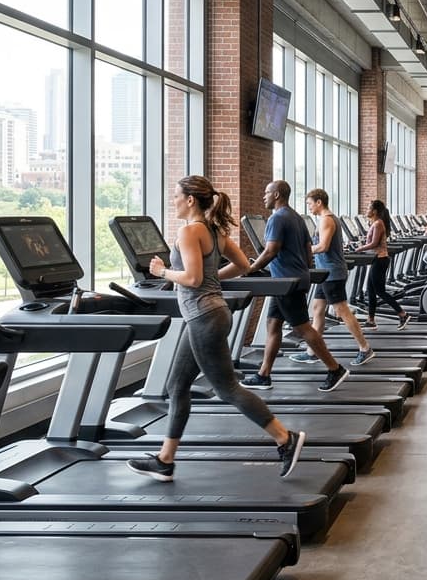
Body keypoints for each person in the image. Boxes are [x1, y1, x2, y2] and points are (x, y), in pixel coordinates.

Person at [128, 175, 305, 482]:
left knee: (227, 389)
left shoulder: (189, 231)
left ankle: (284, 438)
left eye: (176, 196)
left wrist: (163, 272)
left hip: (203, 317)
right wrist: (214, 280)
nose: (174, 201)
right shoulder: (214, 229)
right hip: (210, 313)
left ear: (190, 200)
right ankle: (165, 459)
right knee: (177, 386)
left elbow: (194, 279)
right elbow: (242, 265)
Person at [241, 180, 354, 392]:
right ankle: (263, 375)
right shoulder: (297, 218)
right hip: (286, 280)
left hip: (286, 282)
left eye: (266, 192)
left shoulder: (277, 218)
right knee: (273, 325)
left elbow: (270, 250)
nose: (263, 196)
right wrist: (300, 269)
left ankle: (335, 368)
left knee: (302, 327)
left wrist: (251, 268)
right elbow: (307, 250)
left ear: (276, 195)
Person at [295, 188, 375, 368]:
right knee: (317, 308)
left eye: (309, 204)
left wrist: (301, 251)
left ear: (318, 202)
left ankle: (365, 348)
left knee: (341, 310)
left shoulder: (327, 220)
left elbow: (323, 246)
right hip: (325, 272)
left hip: (332, 272)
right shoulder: (327, 219)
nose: (308, 207)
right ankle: (312, 351)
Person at [357, 199, 411, 331]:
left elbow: (374, 243)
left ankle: (402, 314)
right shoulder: (376, 223)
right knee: (371, 290)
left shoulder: (378, 224)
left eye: (368, 208)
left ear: (374, 211)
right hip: (377, 259)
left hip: (380, 260)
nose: (366, 210)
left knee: (379, 291)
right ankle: (371, 320)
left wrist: (359, 249)